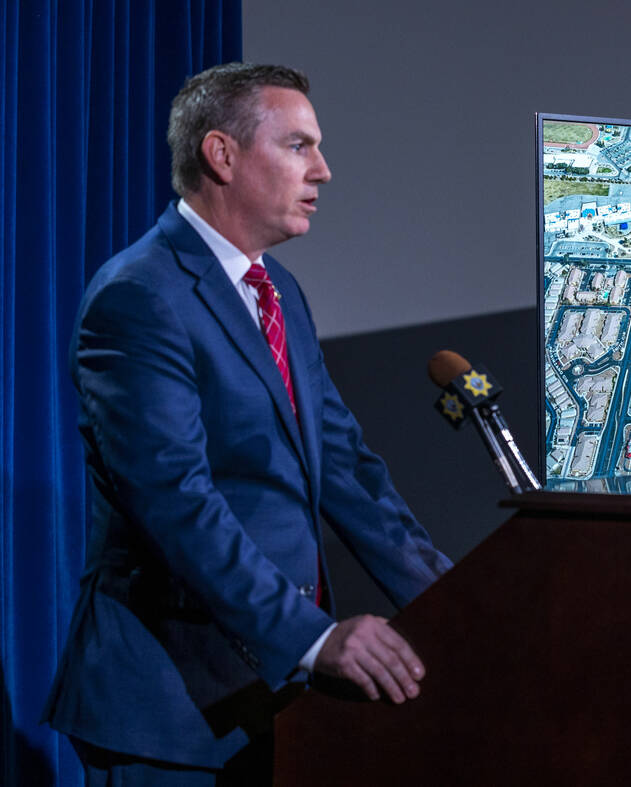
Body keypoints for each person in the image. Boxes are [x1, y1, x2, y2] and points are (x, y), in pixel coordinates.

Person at [42, 62, 452, 784]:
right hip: (168, 711)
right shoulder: (138, 297)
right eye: (298, 145)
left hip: (269, 698)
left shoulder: (278, 290)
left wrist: (457, 604)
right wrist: (316, 638)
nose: (323, 170)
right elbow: (176, 502)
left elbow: (347, 468)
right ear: (221, 154)